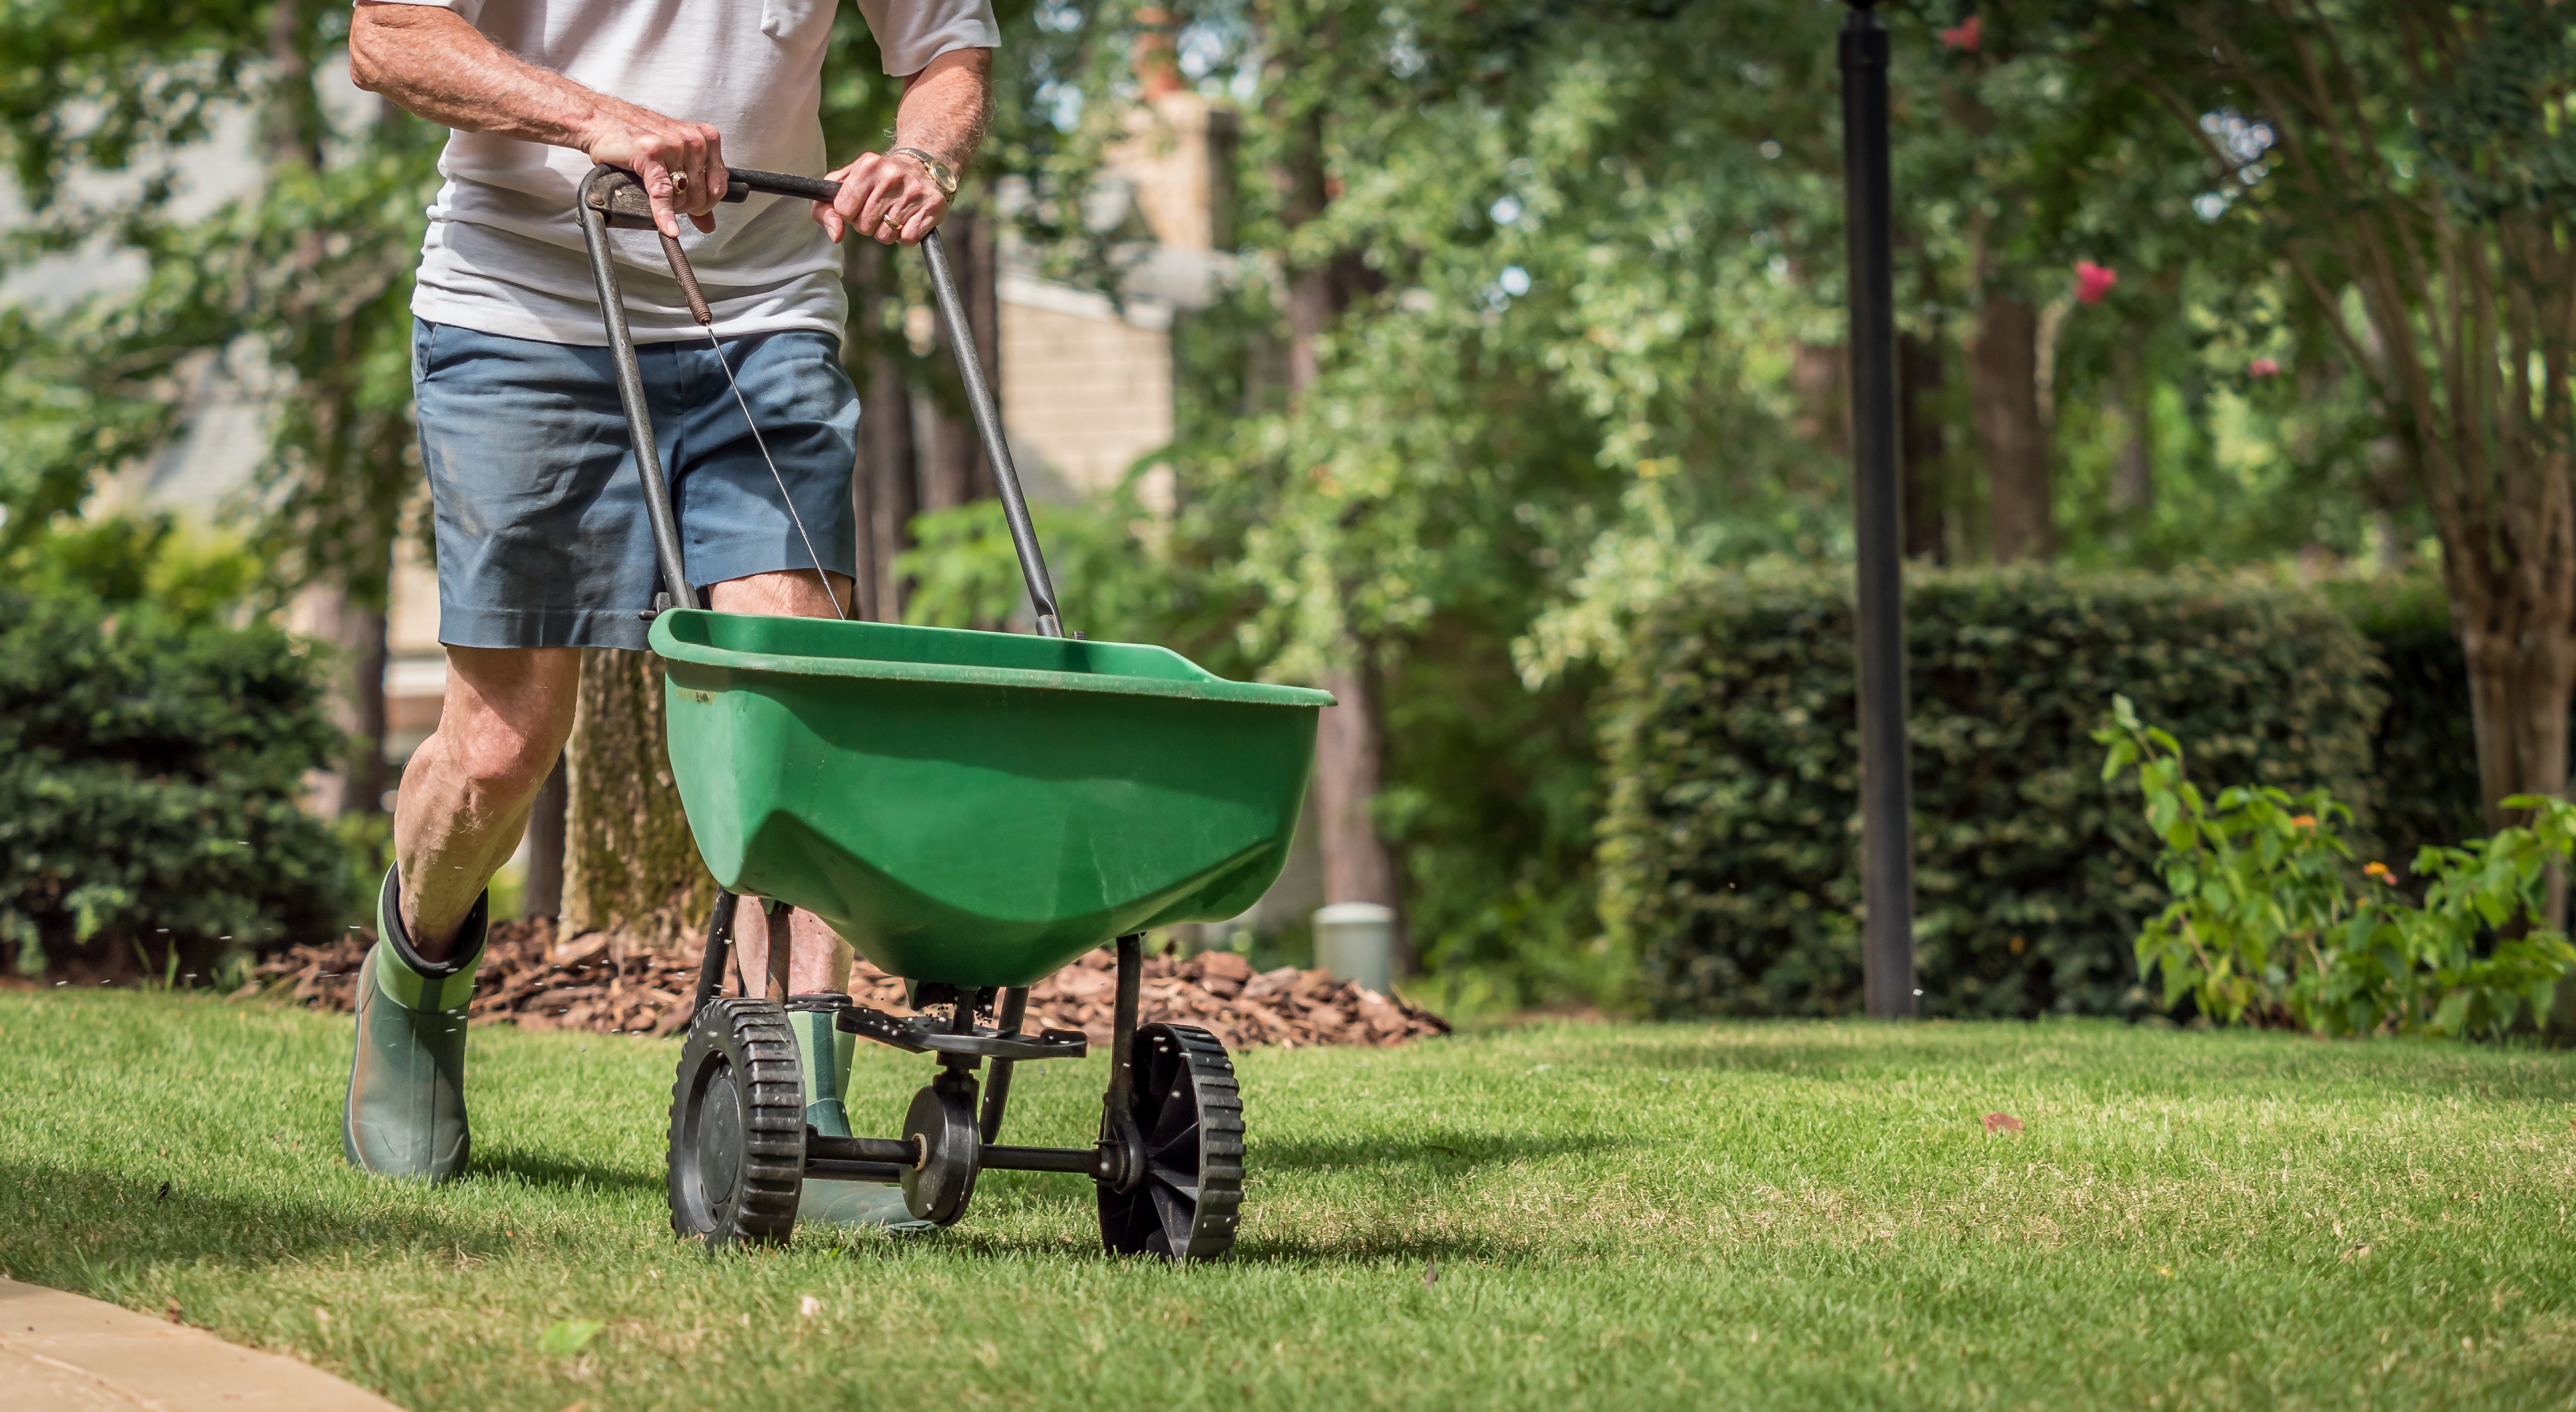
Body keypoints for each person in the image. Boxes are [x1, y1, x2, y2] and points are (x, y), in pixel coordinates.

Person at [340, 0, 993, 1201]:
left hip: (762, 317)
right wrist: (599, 118)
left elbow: (948, 48)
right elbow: (389, 38)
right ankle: (416, 982)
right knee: (501, 748)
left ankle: (800, 1097)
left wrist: (922, 154)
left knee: (793, 718)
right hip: (519, 313)